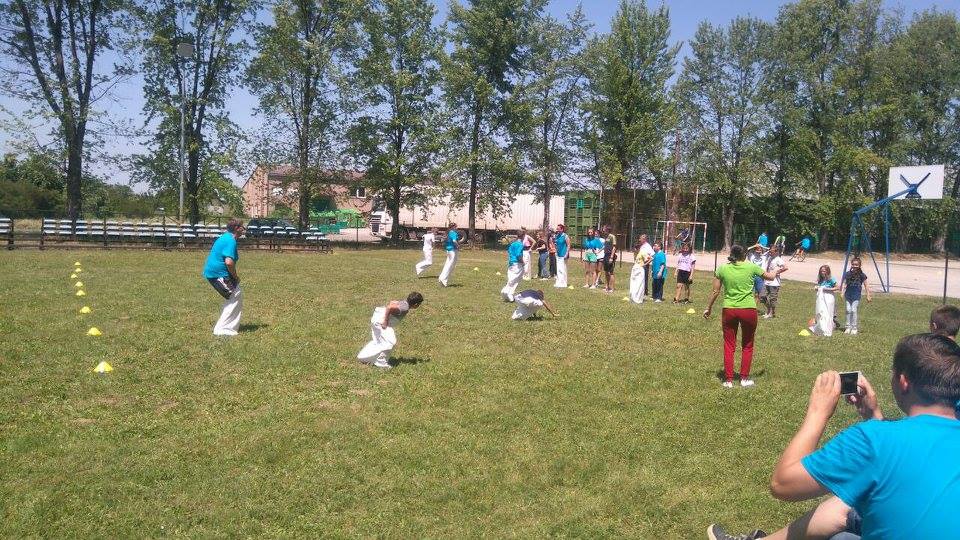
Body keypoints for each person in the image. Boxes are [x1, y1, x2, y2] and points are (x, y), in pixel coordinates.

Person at [708, 333, 960, 540]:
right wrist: (873, 415)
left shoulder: (874, 440)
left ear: (903, 382)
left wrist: (818, 411)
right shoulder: (887, 438)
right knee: (845, 510)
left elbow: (783, 484)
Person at [703, 245, 785, 388]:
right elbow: (771, 276)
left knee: (729, 345)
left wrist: (708, 308)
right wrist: (777, 269)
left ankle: (728, 380)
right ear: (745, 255)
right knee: (747, 345)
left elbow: (715, 291)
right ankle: (744, 378)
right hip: (748, 310)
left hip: (729, 310)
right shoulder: (751, 267)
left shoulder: (722, 269)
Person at [357, 292, 424, 369]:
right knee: (390, 341)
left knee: (378, 341)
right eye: (419, 304)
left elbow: (392, 302)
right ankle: (381, 362)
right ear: (416, 304)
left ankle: (363, 357)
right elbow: (389, 307)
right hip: (381, 322)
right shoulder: (405, 308)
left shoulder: (404, 302)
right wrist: (385, 321)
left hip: (377, 318)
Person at [203, 219, 245, 337]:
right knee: (235, 295)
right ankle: (222, 329)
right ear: (236, 228)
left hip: (215, 273)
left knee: (234, 295)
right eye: (242, 227)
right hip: (218, 274)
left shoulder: (225, 237)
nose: (243, 229)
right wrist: (235, 277)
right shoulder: (230, 240)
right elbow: (229, 262)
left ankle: (226, 325)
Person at [839, 257, 872, 335]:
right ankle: (848, 327)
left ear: (859, 265)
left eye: (856, 265)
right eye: (853, 264)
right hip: (848, 295)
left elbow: (866, 285)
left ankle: (854, 328)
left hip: (856, 295)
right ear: (851, 265)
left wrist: (868, 295)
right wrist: (842, 292)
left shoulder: (862, 275)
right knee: (848, 310)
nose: (854, 266)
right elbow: (844, 283)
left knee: (853, 310)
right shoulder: (847, 274)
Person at [760, 245, 788, 319]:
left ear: (776, 252)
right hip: (767, 281)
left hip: (774, 283)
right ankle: (769, 309)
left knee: (772, 299)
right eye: (769, 251)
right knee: (762, 296)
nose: (770, 252)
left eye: (771, 251)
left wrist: (776, 272)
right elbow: (763, 254)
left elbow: (785, 267)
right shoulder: (769, 257)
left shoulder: (778, 259)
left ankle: (772, 313)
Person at [810, 265, 839, 336]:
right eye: (821, 271)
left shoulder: (831, 279)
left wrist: (826, 289)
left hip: (829, 297)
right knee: (821, 312)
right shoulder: (821, 279)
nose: (822, 272)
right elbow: (819, 287)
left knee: (828, 313)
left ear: (827, 271)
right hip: (821, 298)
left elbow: (837, 287)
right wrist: (817, 288)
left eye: (824, 271)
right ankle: (821, 327)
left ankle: (828, 328)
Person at [500, 231, 525, 302]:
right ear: (523, 236)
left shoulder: (513, 244)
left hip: (511, 263)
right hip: (517, 263)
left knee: (511, 278)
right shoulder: (520, 244)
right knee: (515, 279)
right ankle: (507, 291)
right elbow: (518, 255)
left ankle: (507, 294)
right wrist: (522, 262)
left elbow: (509, 251)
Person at [438, 222, 462, 287]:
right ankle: (444, 280)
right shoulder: (453, 233)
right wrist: (458, 246)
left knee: (447, 264)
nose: (457, 228)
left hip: (449, 250)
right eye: (456, 226)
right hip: (453, 250)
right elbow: (454, 241)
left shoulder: (449, 232)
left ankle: (441, 278)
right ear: (453, 227)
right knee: (451, 265)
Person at [629, 239, 651, 304]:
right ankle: (633, 297)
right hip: (635, 269)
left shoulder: (642, 253)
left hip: (640, 269)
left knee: (639, 284)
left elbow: (651, 258)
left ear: (638, 248)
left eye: (636, 248)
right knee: (634, 283)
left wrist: (644, 264)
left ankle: (638, 298)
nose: (635, 249)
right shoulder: (636, 253)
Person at [554, 224, 570, 288]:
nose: (557, 230)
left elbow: (568, 245)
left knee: (563, 269)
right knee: (558, 269)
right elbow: (556, 244)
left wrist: (566, 253)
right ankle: (559, 282)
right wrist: (556, 251)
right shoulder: (557, 236)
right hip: (558, 254)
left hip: (563, 255)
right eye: (557, 229)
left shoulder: (565, 236)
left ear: (562, 229)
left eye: (558, 229)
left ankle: (563, 283)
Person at [602, 225, 618, 292]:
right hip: (605, 255)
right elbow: (605, 246)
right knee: (606, 272)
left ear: (607, 229)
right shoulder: (605, 236)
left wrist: (611, 257)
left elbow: (614, 247)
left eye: (604, 228)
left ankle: (612, 288)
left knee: (611, 272)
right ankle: (607, 287)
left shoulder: (612, 236)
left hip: (610, 255)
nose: (603, 229)